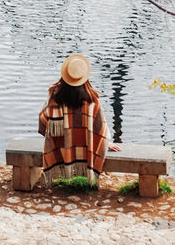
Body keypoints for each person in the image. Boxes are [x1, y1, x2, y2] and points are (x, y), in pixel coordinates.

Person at [38, 53, 121, 187]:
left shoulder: (54, 94)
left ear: (65, 75)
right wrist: (105, 142)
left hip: (58, 148)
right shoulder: (92, 99)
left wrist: (60, 138)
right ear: (84, 77)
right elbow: (100, 128)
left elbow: (43, 123)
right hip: (85, 148)